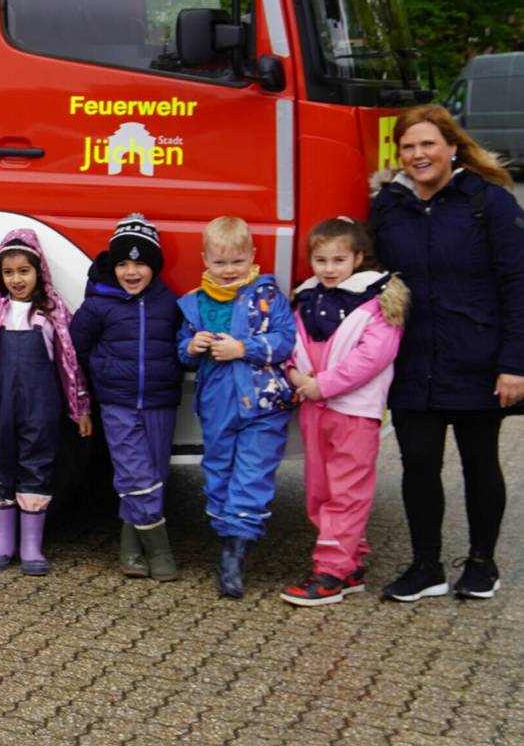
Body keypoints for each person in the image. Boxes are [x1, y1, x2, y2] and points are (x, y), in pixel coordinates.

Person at [369, 104, 524, 603]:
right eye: (409, 147)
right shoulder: (389, 206)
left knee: (480, 463)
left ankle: (481, 562)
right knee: (417, 462)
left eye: (428, 144)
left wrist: (515, 363)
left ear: (452, 146)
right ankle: (426, 565)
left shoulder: (489, 202)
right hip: (414, 360)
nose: (419, 155)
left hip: (477, 357)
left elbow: (518, 283)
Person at [283, 217, 410, 606]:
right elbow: (291, 342)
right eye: (320, 260)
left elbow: (372, 356)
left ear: (357, 258)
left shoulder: (376, 301)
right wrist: (293, 374)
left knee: (348, 492)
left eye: (339, 259)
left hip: (354, 411)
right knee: (319, 491)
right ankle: (350, 563)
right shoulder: (305, 298)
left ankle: (331, 572)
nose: (329, 268)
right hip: (314, 407)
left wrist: (323, 384)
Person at [178, 215, 295, 600]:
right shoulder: (195, 303)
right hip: (217, 403)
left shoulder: (267, 297)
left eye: (237, 262)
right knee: (219, 469)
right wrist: (191, 349)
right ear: (205, 260)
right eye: (220, 263)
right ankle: (226, 536)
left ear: (252, 256)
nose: (229, 271)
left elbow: (285, 341)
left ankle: (235, 556)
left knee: (253, 473)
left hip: (263, 404)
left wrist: (242, 348)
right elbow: (183, 348)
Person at [0, 229, 91, 576]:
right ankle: (3, 542)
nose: (17, 279)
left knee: (38, 463)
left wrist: (80, 408)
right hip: (0, 404)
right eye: (9, 272)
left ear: (38, 271)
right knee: (0, 463)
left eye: (24, 271)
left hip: (42, 404)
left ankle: (31, 545)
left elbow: (69, 362)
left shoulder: (52, 310)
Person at [70, 214, 184, 581]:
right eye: (122, 263)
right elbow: (76, 350)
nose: (131, 272)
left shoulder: (170, 304)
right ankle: (160, 549)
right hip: (117, 402)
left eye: (140, 263)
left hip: (160, 401)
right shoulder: (98, 305)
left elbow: (181, 347)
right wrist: (92, 387)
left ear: (154, 267)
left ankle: (131, 548)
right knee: (135, 472)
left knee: (154, 475)